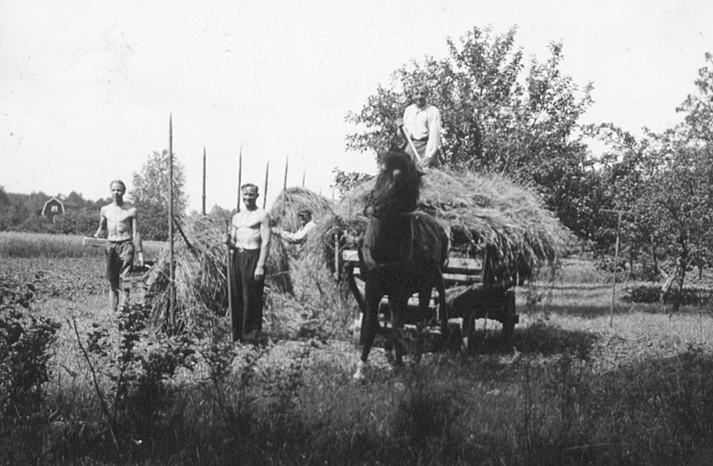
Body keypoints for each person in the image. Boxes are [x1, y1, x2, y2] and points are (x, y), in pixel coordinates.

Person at [222, 183, 271, 343]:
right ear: (241, 195)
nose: (247, 198)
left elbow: (266, 242)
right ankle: (236, 335)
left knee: (251, 298)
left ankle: (251, 336)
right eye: (245, 195)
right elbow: (234, 243)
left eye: (251, 195)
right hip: (238, 257)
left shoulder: (262, 215)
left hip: (253, 257)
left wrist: (260, 265)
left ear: (257, 196)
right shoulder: (237, 217)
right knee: (236, 297)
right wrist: (228, 242)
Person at [93, 180, 144, 312]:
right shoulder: (105, 210)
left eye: (119, 190)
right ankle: (112, 313)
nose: (116, 193)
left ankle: (124, 310)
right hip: (111, 247)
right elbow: (101, 228)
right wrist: (97, 235)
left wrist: (140, 253)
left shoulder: (131, 210)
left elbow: (136, 231)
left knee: (126, 280)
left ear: (124, 192)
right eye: (114, 190)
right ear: (111, 191)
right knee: (112, 281)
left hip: (126, 245)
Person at [395, 82, 442, 169]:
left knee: (426, 175)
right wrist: (400, 128)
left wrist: (429, 156)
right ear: (412, 96)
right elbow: (403, 136)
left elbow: (434, 136)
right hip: (410, 147)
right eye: (416, 94)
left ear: (426, 95)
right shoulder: (408, 110)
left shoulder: (432, 111)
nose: (419, 96)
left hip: (426, 147)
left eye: (422, 94)